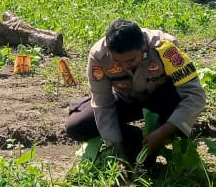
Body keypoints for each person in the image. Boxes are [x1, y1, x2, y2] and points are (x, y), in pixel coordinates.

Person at [65, 18, 206, 165]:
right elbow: (102, 104)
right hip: (126, 99)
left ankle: (161, 137)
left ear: (143, 46)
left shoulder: (165, 47)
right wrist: (117, 150)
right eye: (117, 61)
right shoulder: (99, 56)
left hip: (160, 101)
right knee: (78, 126)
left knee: (175, 105)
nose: (124, 66)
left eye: (131, 60)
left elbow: (195, 96)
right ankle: (137, 140)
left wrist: (163, 132)